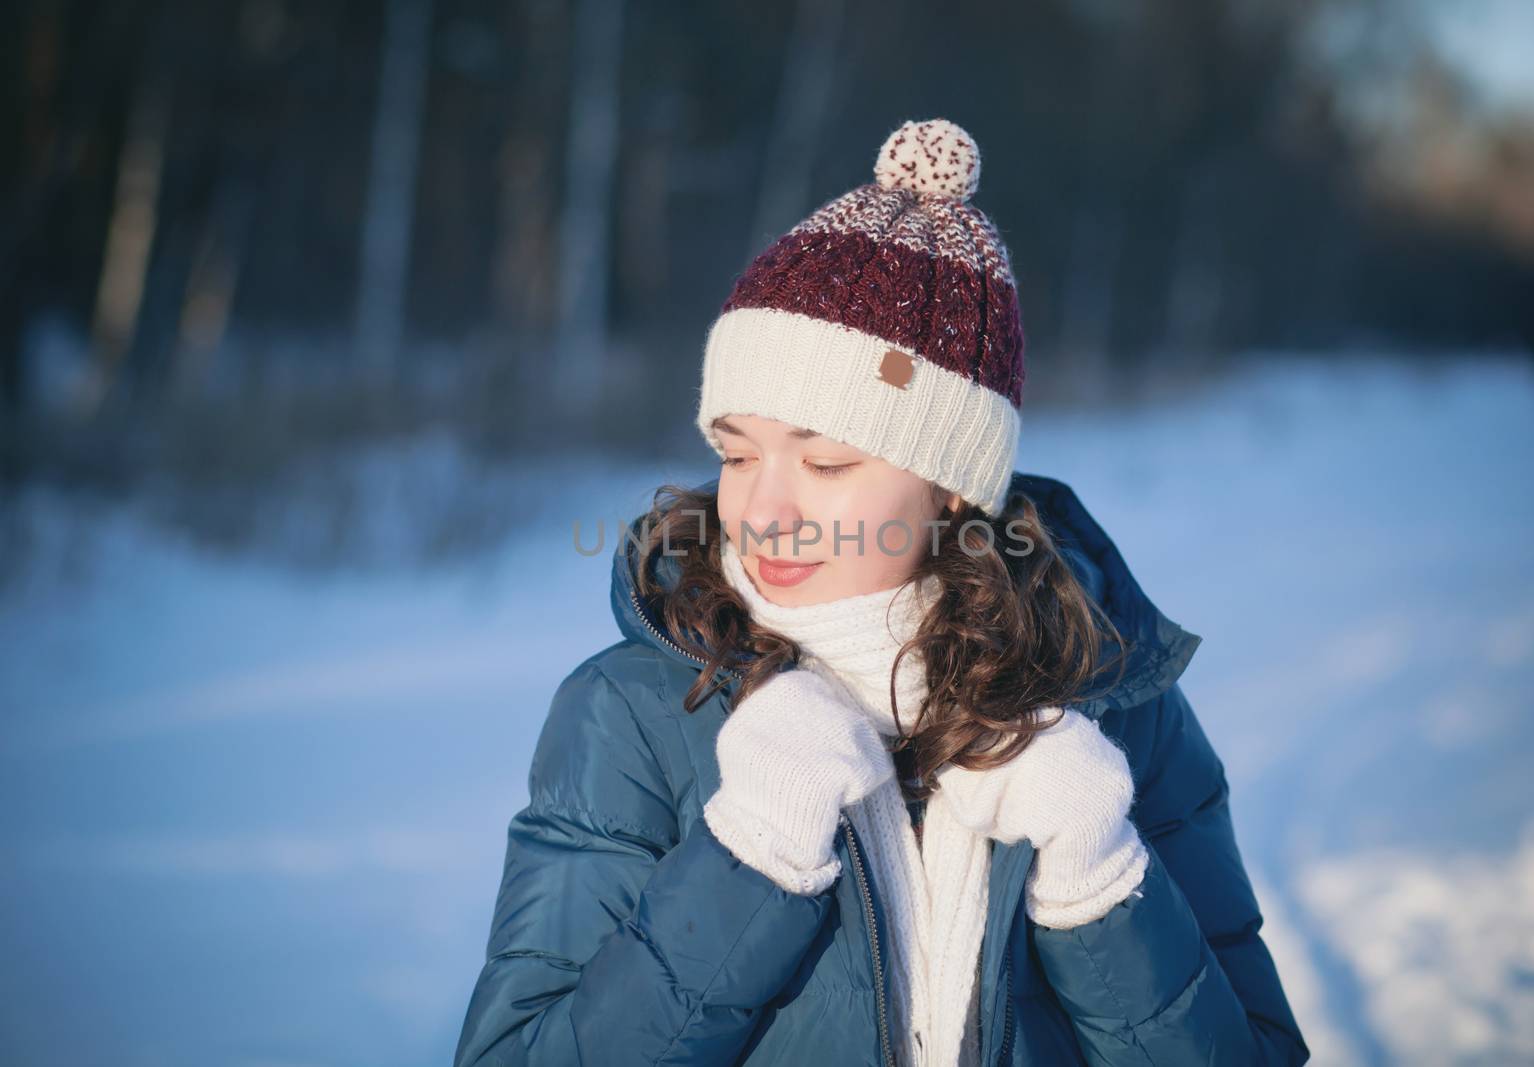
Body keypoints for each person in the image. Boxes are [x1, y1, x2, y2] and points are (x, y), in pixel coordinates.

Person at [454, 118, 1309, 1066]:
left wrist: (1097, 883)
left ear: (950, 486)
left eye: (824, 463)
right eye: (736, 452)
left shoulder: (1115, 706)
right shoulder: (634, 714)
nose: (762, 510)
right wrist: (751, 853)